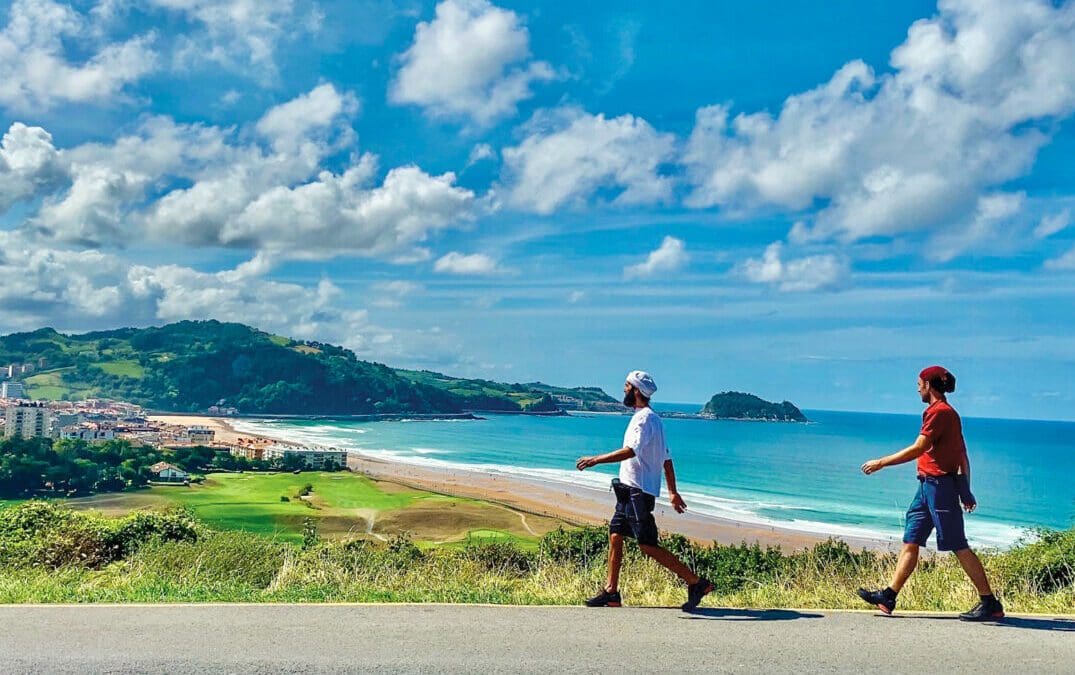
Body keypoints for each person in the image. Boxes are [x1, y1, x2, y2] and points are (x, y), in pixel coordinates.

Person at [856, 366, 1004, 621]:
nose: (917, 388)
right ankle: (889, 596)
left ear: (928, 385)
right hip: (926, 487)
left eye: (919, 383)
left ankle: (989, 602)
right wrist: (966, 489)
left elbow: (919, 448)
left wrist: (881, 462)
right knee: (911, 540)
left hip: (940, 489)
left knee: (959, 545)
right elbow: (962, 454)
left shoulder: (941, 413)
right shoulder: (942, 413)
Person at [576, 370, 713, 611]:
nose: (624, 389)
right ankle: (611, 592)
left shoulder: (644, 420)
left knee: (647, 544)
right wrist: (672, 492)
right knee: (616, 536)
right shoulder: (653, 420)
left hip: (638, 491)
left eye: (627, 386)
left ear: (636, 390)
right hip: (628, 490)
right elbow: (666, 459)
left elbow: (631, 451)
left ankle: (696, 582)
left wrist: (595, 460)